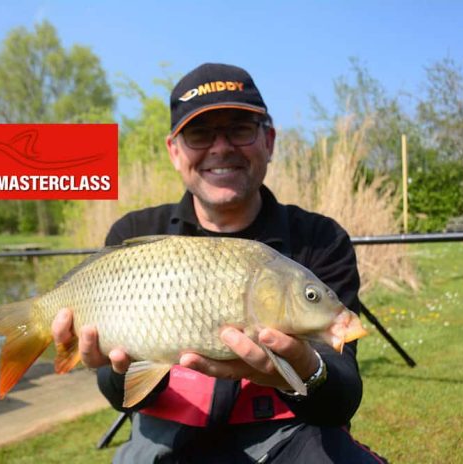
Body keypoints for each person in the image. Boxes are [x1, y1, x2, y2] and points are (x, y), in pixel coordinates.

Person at [53, 63, 386, 463]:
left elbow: (342, 398)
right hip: (167, 436)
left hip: (288, 432)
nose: (221, 147)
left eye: (240, 129)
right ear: (174, 152)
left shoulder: (320, 240)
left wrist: (304, 369)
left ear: (270, 140)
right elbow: (120, 395)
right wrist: (116, 370)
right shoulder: (134, 234)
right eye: (199, 134)